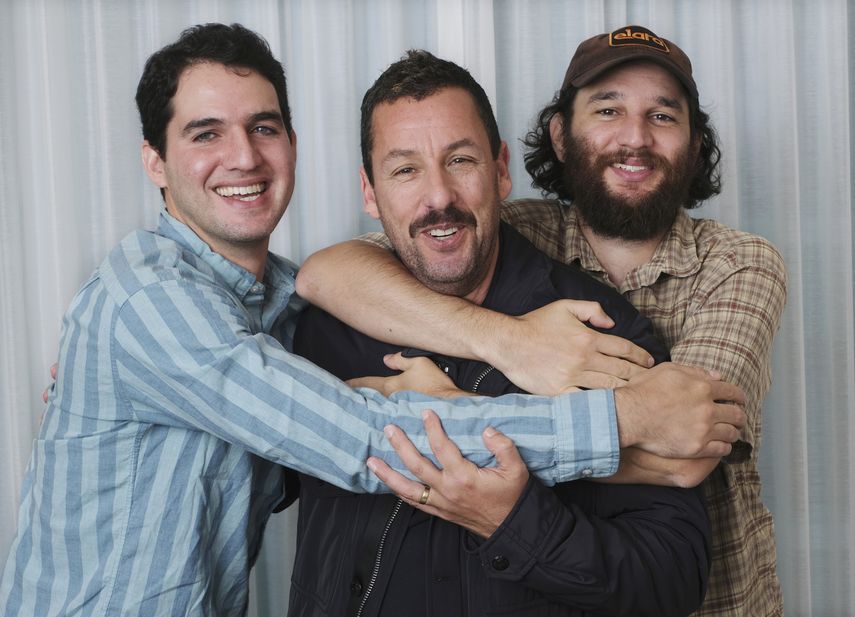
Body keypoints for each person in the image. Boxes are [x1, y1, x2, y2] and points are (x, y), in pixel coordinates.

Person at [0, 23, 747, 617]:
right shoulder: (166, 310)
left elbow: (669, 578)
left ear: (500, 171)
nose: (243, 157)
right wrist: (625, 424)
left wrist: (522, 517)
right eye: (205, 133)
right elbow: (355, 436)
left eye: (263, 127)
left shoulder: (598, 338)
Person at [296, 25, 787, 617]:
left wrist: (449, 418)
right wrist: (513, 342)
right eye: (608, 110)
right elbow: (328, 272)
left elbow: (685, 448)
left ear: (498, 172)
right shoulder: (504, 229)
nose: (635, 137)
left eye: (662, 116)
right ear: (560, 134)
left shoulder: (730, 270)